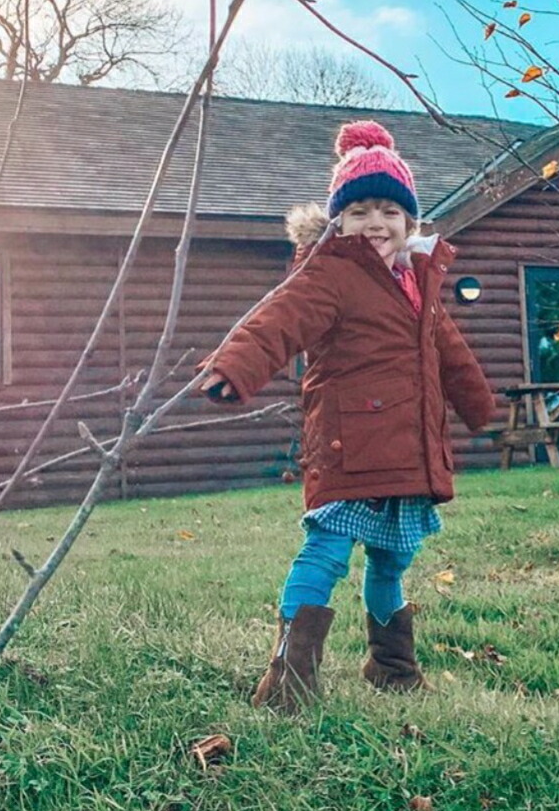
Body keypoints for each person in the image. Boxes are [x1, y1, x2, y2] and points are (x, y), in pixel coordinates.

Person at [199, 120, 495, 713]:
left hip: (407, 448)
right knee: (327, 552)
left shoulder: (416, 280)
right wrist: (235, 368)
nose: (375, 223)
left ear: (410, 222)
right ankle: (289, 680)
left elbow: (447, 349)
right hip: (347, 444)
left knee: (392, 557)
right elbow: (279, 319)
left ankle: (392, 667)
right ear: (339, 222)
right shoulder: (330, 273)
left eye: (389, 211)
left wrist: (478, 404)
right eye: (359, 211)